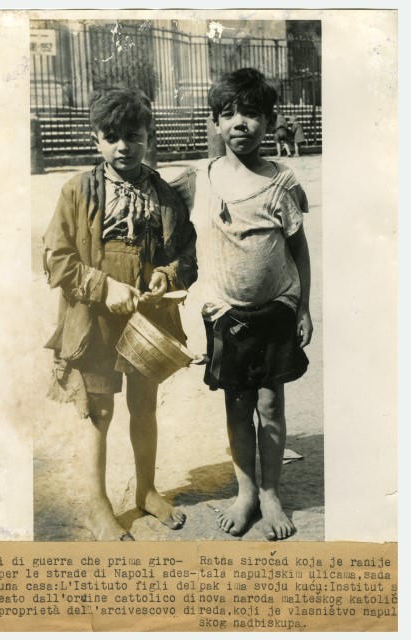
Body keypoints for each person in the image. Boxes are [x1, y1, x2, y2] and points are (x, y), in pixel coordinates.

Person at [42, 87, 197, 541]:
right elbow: (57, 259)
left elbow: (187, 254)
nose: (123, 146)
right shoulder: (77, 191)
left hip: (147, 320)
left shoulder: (165, 194)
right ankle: (97, 505)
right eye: (111, 137)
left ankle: (146, 490)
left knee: (144, 406)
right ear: (96, 139)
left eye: (134, 136)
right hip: (94, 321)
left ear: (149, 136)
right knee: (100, 412)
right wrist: (103, 286)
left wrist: (167, 275)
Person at [171, 68, 313, 541]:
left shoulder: (282, 183)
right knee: (237, 405)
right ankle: (246, 492)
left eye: (252, 113)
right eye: (229, 113)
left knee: (270, 405)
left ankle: (271, 493)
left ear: (269, 121)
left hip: (276, 311)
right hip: (225, 314)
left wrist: (303, 307)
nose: (240, 123)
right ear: (215, 121)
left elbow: (299, 250)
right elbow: (170, 221)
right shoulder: (202, 179)